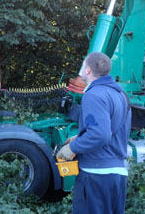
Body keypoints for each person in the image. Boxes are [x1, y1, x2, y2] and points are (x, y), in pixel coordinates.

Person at [57, 52, 131, 214]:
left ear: (89, 70)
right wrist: (81, 136)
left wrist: (73, 148)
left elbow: (101, 135)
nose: (81, 70)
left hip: (95, 176)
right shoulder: (121, 95)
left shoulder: (93, 95)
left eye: (83, 66)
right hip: (117, 175)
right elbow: (112, 130)